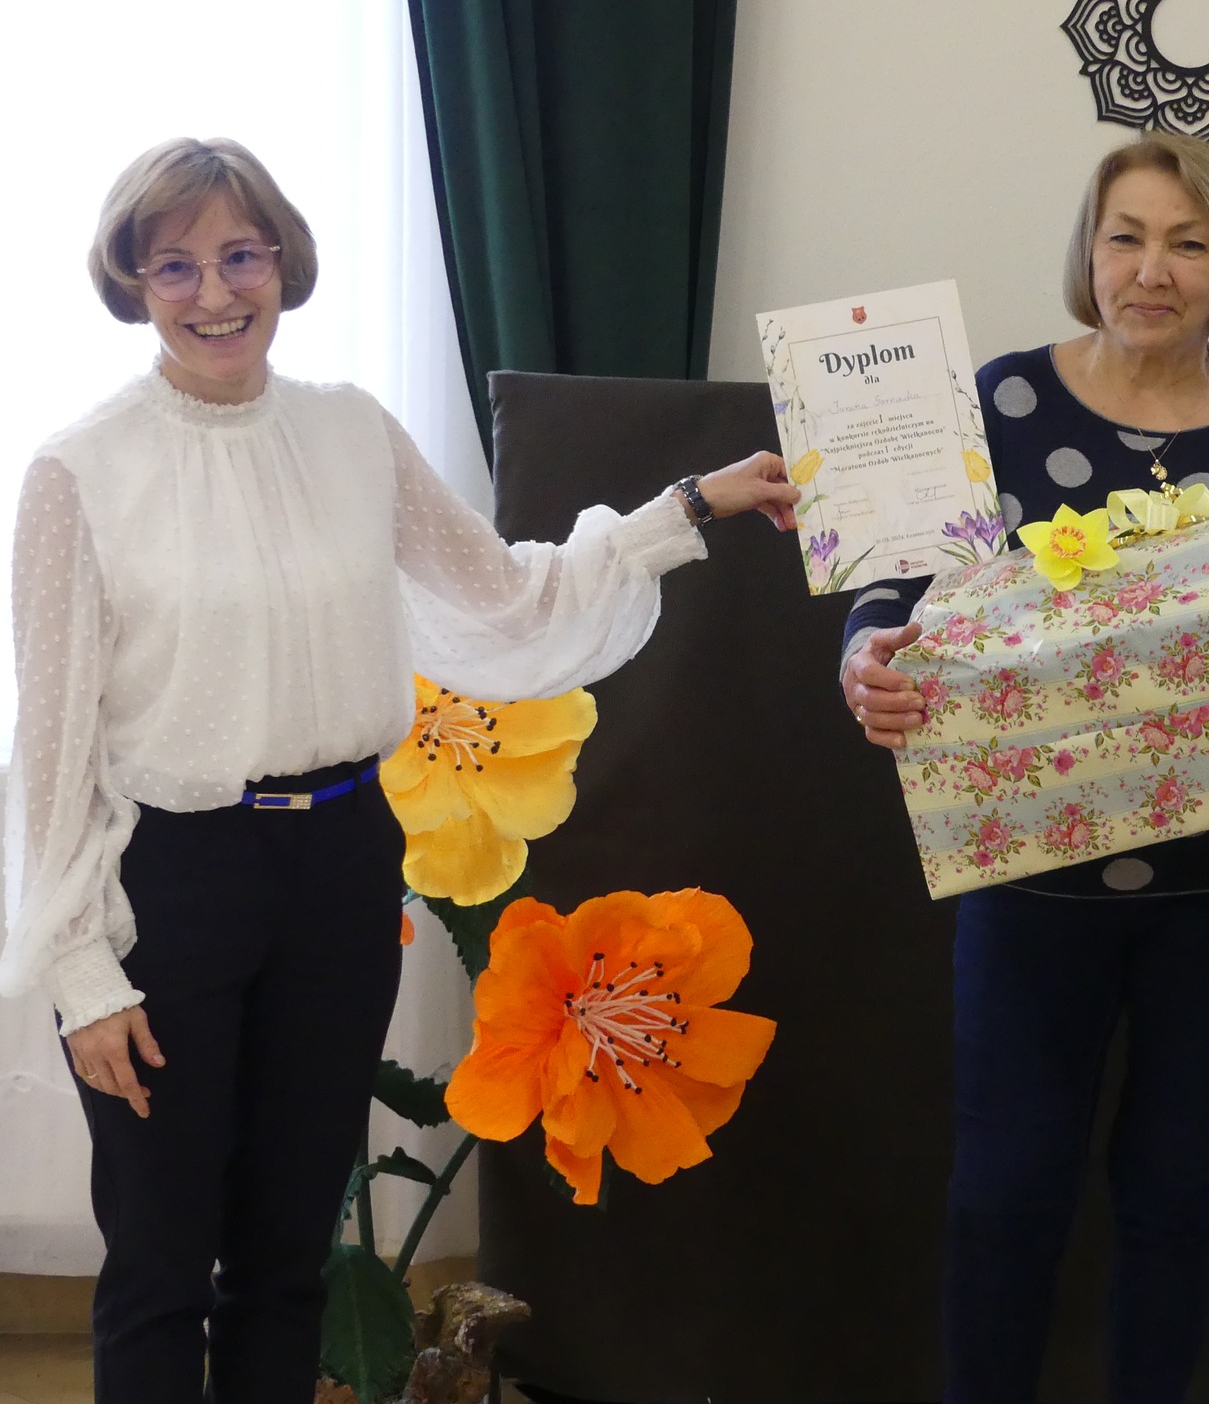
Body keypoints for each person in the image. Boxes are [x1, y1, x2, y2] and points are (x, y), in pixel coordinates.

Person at [0, 137, 800, 1403]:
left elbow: (506, 598)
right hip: (174, 880)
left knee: (287, 1254)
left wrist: (687, 508)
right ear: (132, 282)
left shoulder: (350, 432)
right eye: (175, 266)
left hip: (340, 861)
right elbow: (49, 747)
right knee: (159, 1255)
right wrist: (81, 971)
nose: (215, 293)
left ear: (283, 262)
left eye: (241, 255)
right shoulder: (77, 472)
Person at [840, 133, 1209, 1404]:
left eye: (1187, 242)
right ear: (1089, 251)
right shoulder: (994, 405)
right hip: (1029, 883)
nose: (1151, 270)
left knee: (1176, 1200)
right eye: (1126, 237)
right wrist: (864, 655)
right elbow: (891, 585)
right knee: (1001, 1199)